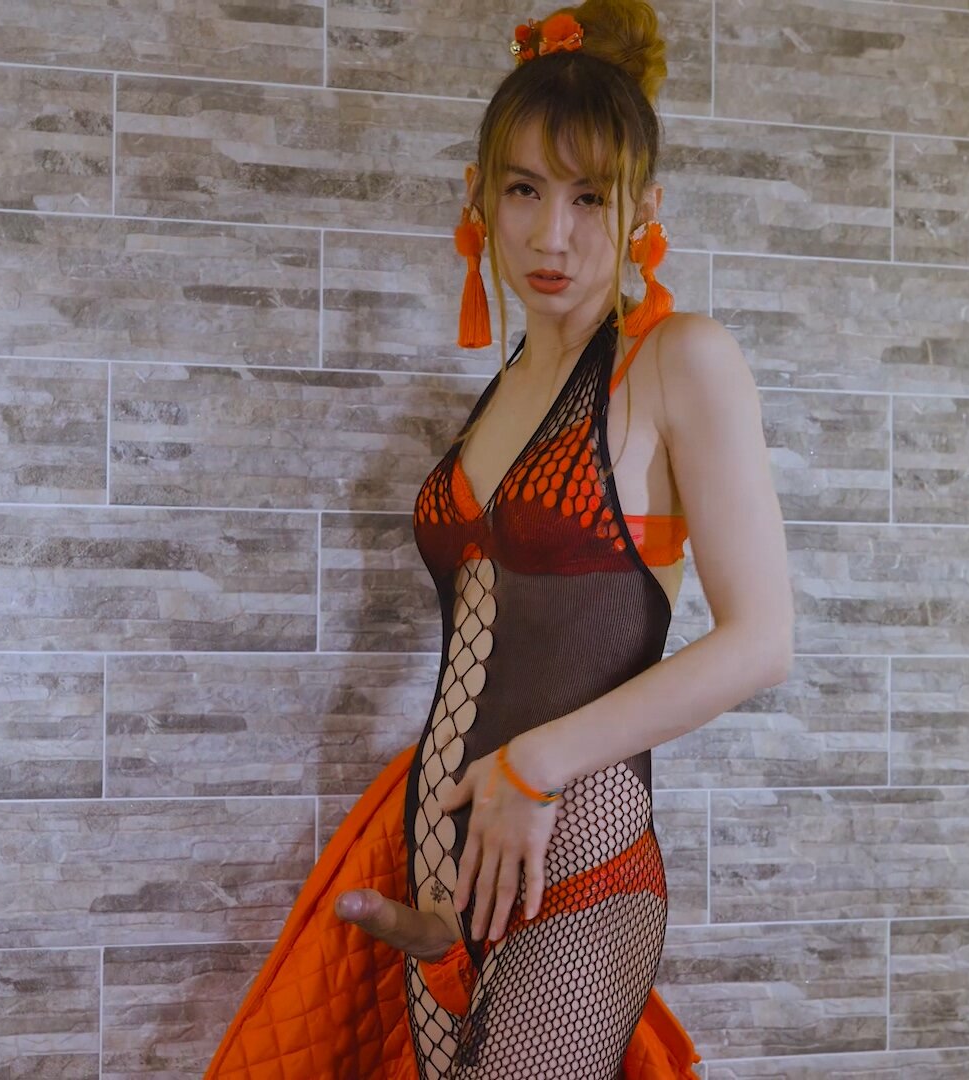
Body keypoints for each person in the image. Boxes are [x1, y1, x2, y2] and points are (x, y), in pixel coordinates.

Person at [205, 1, 794, 1075]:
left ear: (644, 209)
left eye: (588, 197)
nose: (551, 235)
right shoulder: (505, 389)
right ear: (477, 197)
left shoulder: (676, 361)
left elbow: (761, 641)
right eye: (524, 190)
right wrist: (435, 864)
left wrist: (536, 764)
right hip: (450, 889)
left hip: (578, 866)